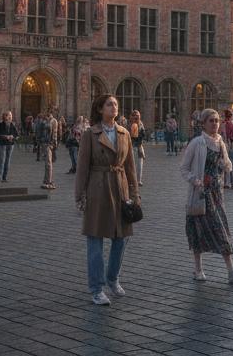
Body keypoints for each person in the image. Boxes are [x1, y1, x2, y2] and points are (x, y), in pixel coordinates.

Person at [76, 94, 140, 306]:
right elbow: (82, 168)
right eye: (109, 104)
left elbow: (131, 167)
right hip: (98, 188)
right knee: (95, 239)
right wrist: (80, 195)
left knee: (121, 238)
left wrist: (134, 195)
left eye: (115, 104)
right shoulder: (90, 134)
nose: (113, 107)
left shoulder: (124, 133)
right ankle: (96, 288)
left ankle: (112, 277)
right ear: (100, 109)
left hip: (119, 187)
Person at [180, 108, 233, 284]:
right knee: (198, 231)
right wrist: (195, 180)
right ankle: (198, 269)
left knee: (221, 229)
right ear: (204, 123)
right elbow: (184, 169)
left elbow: (227, 164)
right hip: (201, 194)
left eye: (217, 121)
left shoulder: (220, 141)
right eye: (211, 121)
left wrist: (226, 165)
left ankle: (231, 270)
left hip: (216, 194)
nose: (215, 124)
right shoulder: (197, 143)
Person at [36, 110, 58, 189]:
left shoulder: (53, 121)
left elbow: (55, 133)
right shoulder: (43, 120)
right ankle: (46, 181)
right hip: (43, 143)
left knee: (48, 162)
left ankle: (49, 181)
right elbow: (38, 131)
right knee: (47, 162)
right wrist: (38, 141)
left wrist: (54, 144)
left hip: (49, 143)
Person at [0, 110, 18, 182]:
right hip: (2, 144)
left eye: (11, 115)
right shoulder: (1, 125)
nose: (10, 117)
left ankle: (4, 177)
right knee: (2, 160)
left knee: (7, 161)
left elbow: (17, 135)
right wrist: (4, 136)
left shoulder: (12, 125)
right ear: (4, 116)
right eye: (8, 115)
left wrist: (12, 137)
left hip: (10, 145)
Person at [128, 110, 147, 185]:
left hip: (139, 146)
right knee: (132, 164)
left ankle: (138, 180)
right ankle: (131, 180)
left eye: (137, 117)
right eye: (134, 117)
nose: (136, 118)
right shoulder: (129, 125)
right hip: (131, 145)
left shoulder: (141, 125)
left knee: (139, 164)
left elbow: (143, 135)